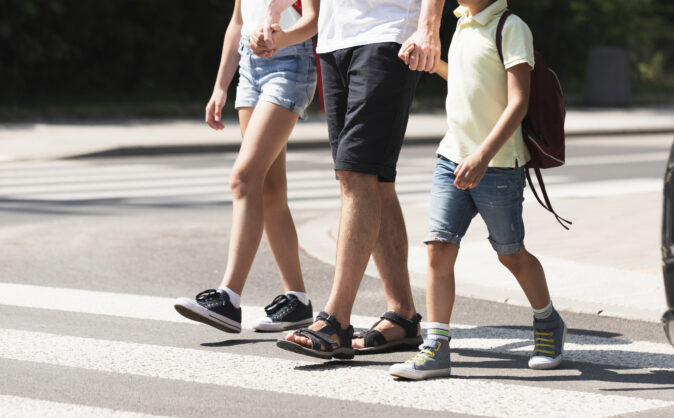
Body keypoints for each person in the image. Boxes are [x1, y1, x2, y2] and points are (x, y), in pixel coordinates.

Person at [256, 0, 444, 359]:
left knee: (356, 174)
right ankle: (403, 316)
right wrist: (274, 13)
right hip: (333, 40)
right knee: (374, 179)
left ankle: (336, 321)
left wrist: (429, 26)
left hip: (389, 35)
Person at [389, 0, 567, 379]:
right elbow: (466, 81)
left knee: (511, 253)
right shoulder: (462, 23)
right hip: (451, 157)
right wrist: (427, 60)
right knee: (438, 247)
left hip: (497, 166)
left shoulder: (511, 27)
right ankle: (436, 347)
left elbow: (518, 103)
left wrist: (483, 156)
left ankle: (548, 322)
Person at [174, 0, 320, 334]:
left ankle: (228, 297)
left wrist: (280, 40)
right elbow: (237, 22)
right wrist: (220, 86)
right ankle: (297, 300)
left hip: (289, 65)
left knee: (243, 178)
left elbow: (313, 21)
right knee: (269, 189)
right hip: (250, 69)